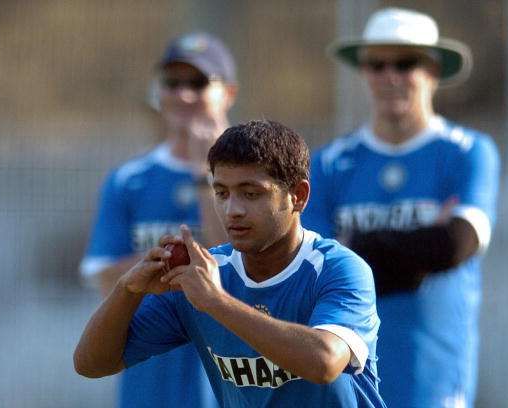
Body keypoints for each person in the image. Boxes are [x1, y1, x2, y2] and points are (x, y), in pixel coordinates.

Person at [74, 119, 386, 408]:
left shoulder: (337, 268)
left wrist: (217, 302)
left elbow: (324, 362)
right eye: (221, 193)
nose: (232, 210)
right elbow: (91, 363)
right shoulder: (207, 275)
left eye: (251, 193)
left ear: (298, 196)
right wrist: (127, 289)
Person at [302, 8, 500, 408]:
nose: (390, 76)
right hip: (347, 377)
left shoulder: (466, 152)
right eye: (377, 64)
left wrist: (355, 246)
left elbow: (456, 245)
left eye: (405, 63)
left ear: (433, 70)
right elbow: (315, 269)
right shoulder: (328, 164)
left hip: (433, 378)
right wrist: (417, 256)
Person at [79, 32, 238, 408]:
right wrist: (174, 260)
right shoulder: (130, 179)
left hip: (227, 369)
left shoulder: (253, 178)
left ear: (228, 93)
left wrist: (206, 174)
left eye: (198, 83)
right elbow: (105, 280)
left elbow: (235, 263)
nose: (183, 95)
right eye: (172, 82)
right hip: (150, 375)